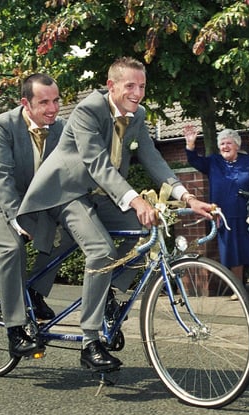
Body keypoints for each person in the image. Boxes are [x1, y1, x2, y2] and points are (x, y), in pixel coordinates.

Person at [17, 57, 213, 371]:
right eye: (131, 86)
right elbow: (97, 164)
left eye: (143, 86)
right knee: (101, 250)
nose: (138, 92)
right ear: (112, 86)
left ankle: (108, 291)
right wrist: (136, 200)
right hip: (67, 193)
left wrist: (187, 196)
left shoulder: (138, 115)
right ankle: (90, 341)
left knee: (148, 233)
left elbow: (152, 158)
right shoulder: (88, 110)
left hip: (102, 195)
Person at [0, 73, 68, 358]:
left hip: (30, 202)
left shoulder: (60, 129)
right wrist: (14, 218)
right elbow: (1, 176)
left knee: (69, 234)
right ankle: (15, 331)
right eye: (44, 102)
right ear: (26, 103)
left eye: (56, 100)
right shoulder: (2, 125)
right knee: (12, 246)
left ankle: (34, 292)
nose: (53, 108)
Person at [183, 125, 249, 300]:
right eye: (222, 143)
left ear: (237, 145)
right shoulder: (214, 162)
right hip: (224, 217)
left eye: (228, 143)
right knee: (233, 254)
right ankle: (238, 290)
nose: (224, 146)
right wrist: (190, 144)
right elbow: (194, 161)